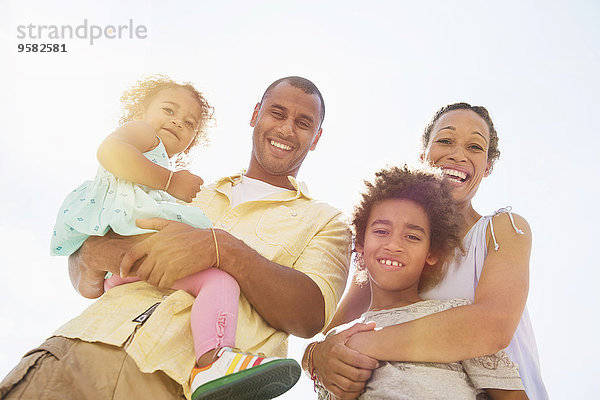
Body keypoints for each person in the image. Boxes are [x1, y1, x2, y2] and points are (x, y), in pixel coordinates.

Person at [0, 76, 351, 400]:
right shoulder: (182, 190)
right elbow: (84, 274)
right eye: (277, 113)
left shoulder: (326, 221)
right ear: (256, 115)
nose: (287, 128)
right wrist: (97, 252)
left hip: (177, 387)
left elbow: (310, 316)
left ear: (316, 137)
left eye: (304, 123)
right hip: (74, 353)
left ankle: (214, 360)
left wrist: (222, 249)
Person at [304, 103, 548, 399]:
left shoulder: (502, 229)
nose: (458, 154)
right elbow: (333, 336)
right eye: (445, 140)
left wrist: (361, 346)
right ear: (423, 156)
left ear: (488, 167)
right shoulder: (391, 255)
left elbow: (491, 327)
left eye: (474, 146)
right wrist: (314, 356)